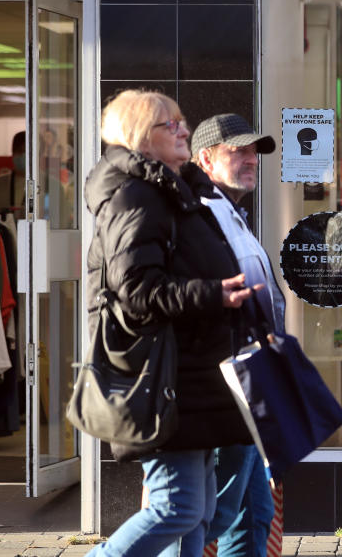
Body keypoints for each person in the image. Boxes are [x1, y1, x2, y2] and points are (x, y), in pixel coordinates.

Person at [84, 90, 256, 557]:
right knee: (177, 509)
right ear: (141, 136)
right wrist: (213, 293)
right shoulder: (135, 194)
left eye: (182, 121)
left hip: (194, 376)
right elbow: (135, 289)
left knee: (196, 515)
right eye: (171, 125)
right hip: (165, 378)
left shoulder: (172, 189)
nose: (183, 129)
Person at [185, 113, 284, 557]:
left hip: (251, 376)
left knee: (253, 513)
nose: (251, 160)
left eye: (254, 152)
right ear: (205, 158)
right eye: (238, 150)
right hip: (227, 382)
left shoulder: (232, 213)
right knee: (214, 513)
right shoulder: (202, 216)